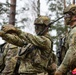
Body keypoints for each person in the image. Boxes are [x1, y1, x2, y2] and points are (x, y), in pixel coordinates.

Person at [55, 4, 76, 75]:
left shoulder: (75, 31)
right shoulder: (71, 31)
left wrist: (61, 70)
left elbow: (72, 50)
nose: (65, 18)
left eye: (67, 15)